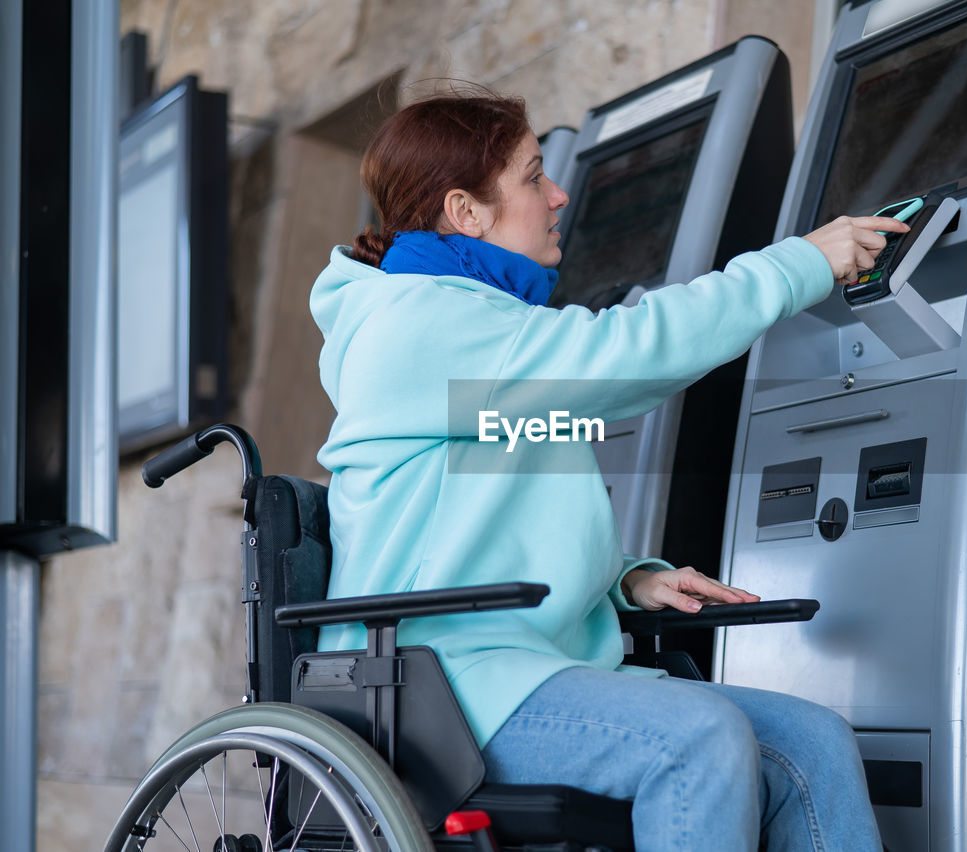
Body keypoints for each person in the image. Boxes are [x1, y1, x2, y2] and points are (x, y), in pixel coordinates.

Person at [310, 89, 909, 852]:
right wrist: (800, 264)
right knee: (697, 739)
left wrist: (626, 577)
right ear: (467, 212)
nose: (558, 196)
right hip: (443, 688)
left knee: (814, 743)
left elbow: (488, 518)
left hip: (525, 666)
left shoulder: (484, 324)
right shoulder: (420, 322)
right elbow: (629, 351)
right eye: (533, 178)